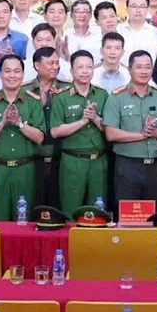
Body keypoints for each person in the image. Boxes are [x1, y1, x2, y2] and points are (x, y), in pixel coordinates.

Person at [0, 55, 45, 221]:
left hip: (25, 169)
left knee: (23, 219)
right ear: (0, 74)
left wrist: (19, 123)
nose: (12, 75)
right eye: (7, 71)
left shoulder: (33, 102)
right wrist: (2, 123)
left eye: (17, 71)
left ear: (23, 74)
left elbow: (39, 137)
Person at [106, 49, 157, 205]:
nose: (144, 71)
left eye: (148, 67)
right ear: (129, 69)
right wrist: (141, 135)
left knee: (154, 213)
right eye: (139, 67)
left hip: (155, 166)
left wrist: (154, 132)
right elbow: (110, 133)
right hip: (127, 166)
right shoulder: (117, 97)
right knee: (127, 213)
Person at [50, 50, 111, 212]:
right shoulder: (61, 97)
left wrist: (95, 118)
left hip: (98, 161)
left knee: (98, 212)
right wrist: (82, 121)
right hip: (72, 161)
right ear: (72, 71)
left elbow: (110, 130)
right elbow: (55, 131)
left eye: (89, 67)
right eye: (80, 67)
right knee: (71, 210)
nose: (85, 71)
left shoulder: (102, 95)